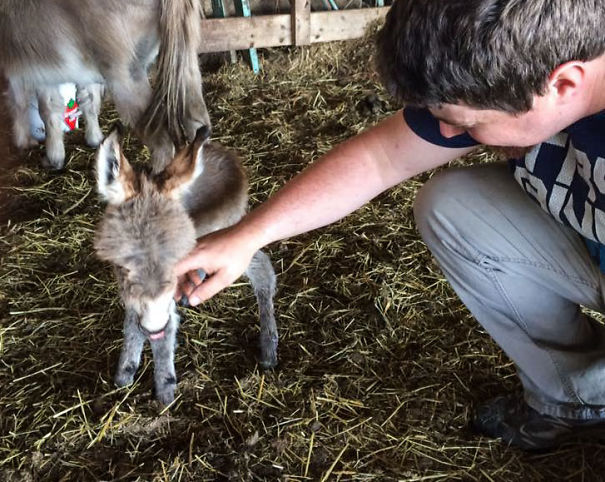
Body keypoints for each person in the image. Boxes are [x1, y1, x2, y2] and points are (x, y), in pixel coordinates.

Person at [176, 0, 605, 450]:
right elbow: (380, 159)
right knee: (450, 205)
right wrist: (246, 236)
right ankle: (574, 396)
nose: (448, 136)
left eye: (467, 124)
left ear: (564, 84)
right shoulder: (519, 65)